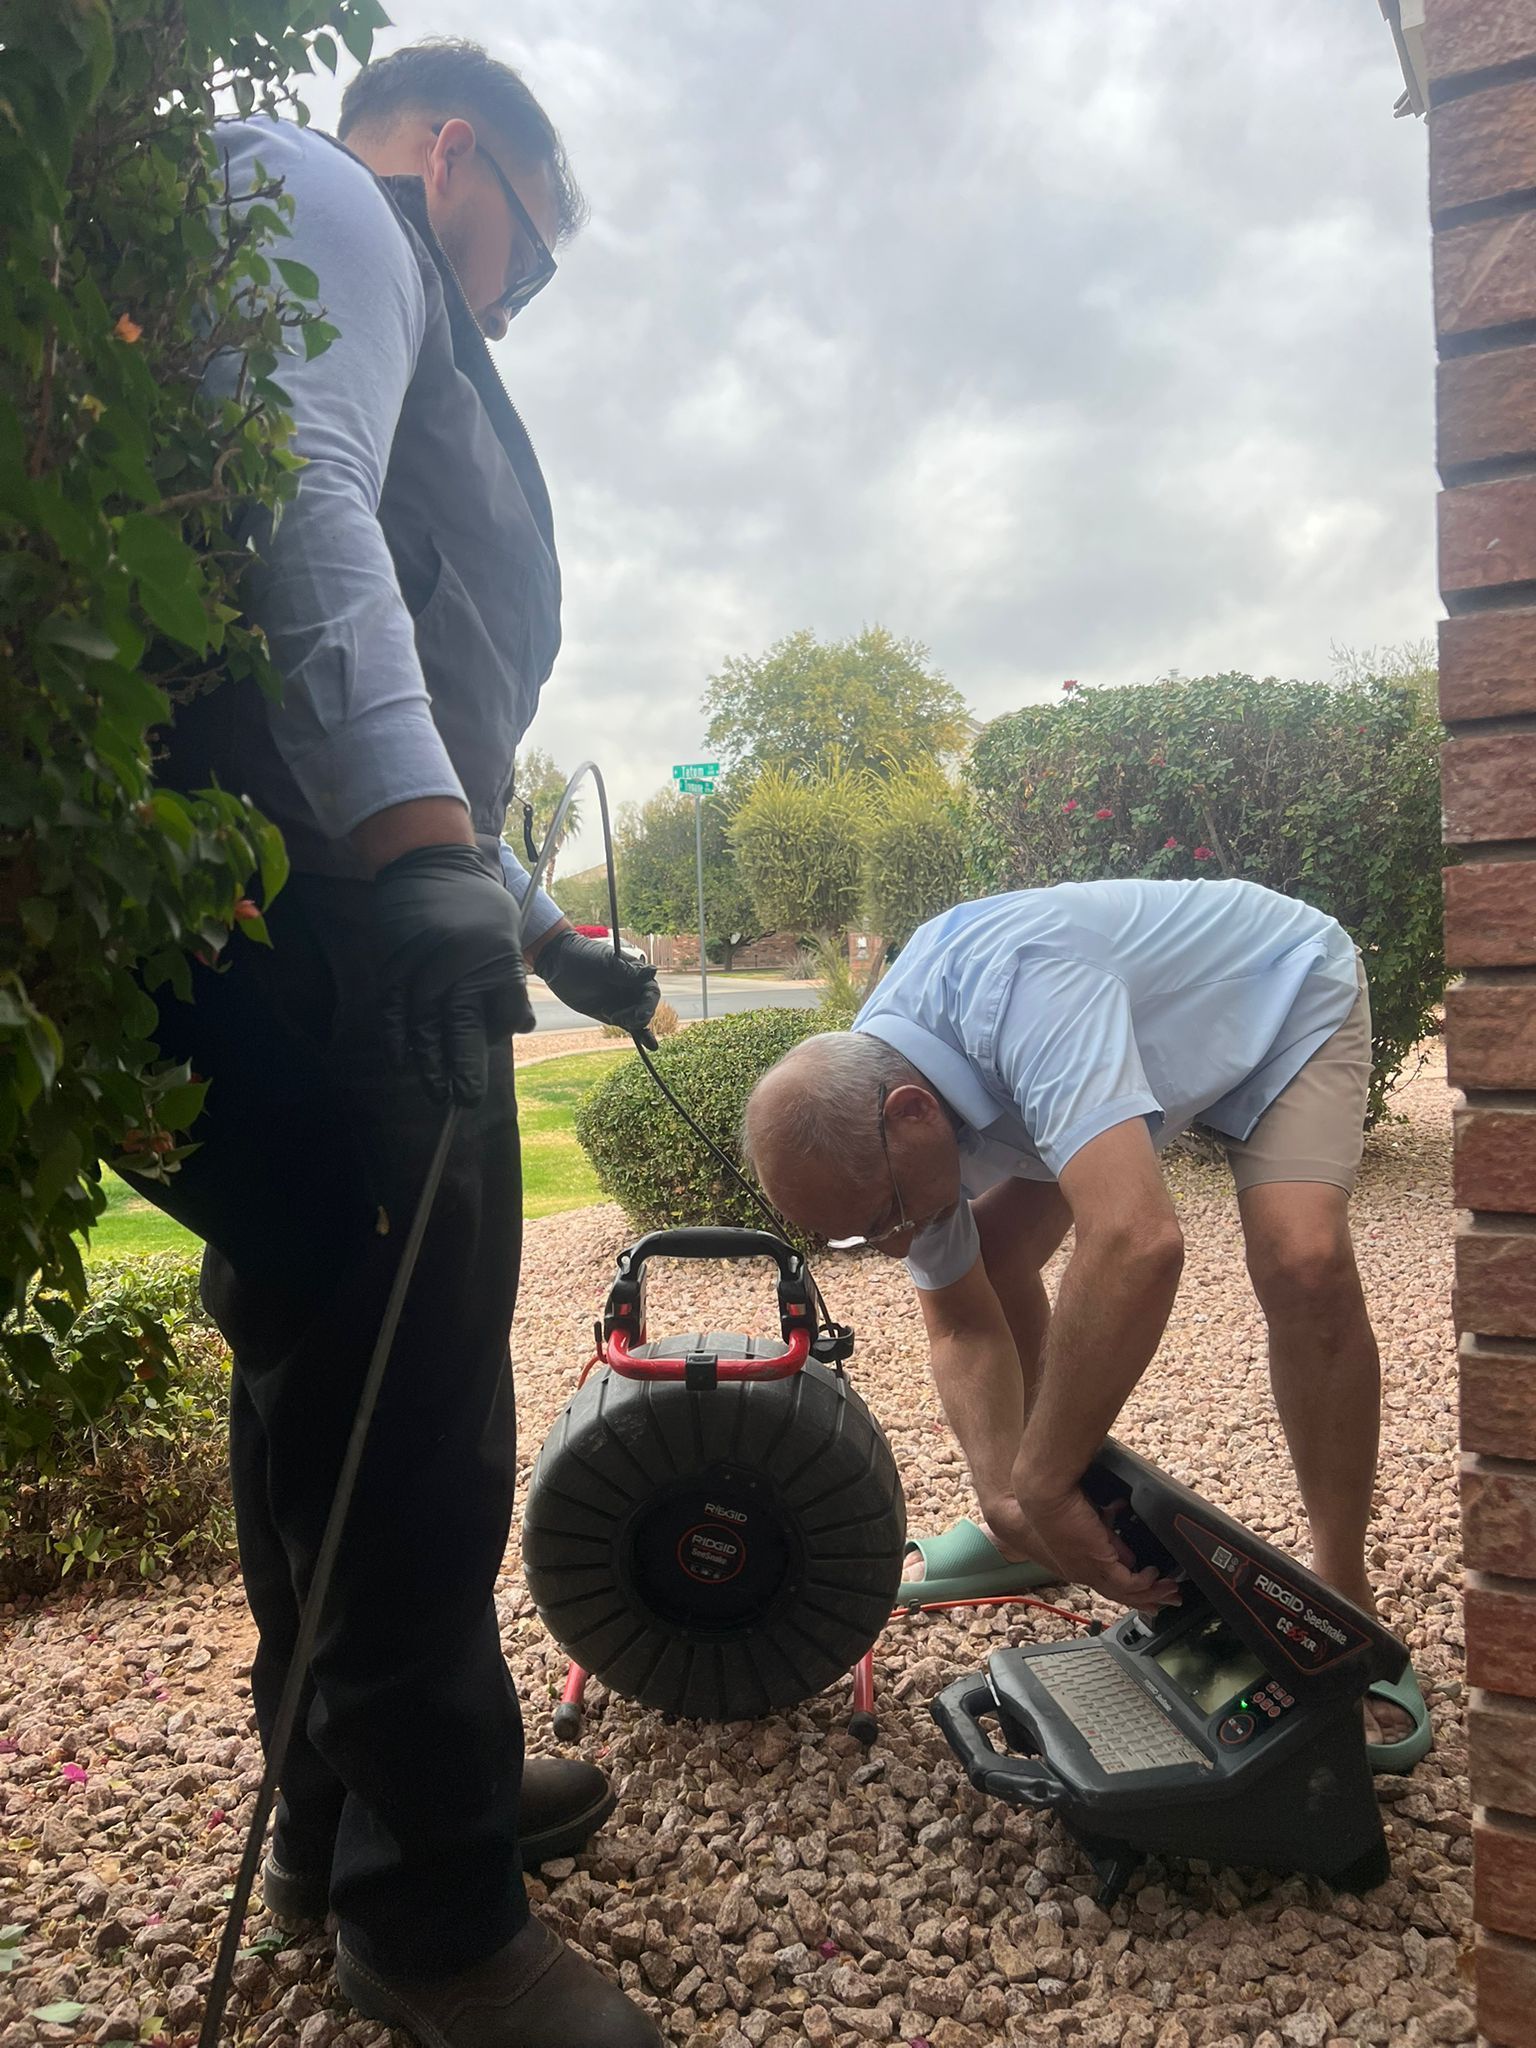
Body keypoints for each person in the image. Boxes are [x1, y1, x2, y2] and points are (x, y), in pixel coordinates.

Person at [136, 38, 663, 2048]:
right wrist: (425, 862)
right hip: (333, 911)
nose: (520, 301)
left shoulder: (376, 248)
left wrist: (536, 923)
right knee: (418, 1411)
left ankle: (351, 1800)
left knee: (326, 1364)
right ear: (461, 161)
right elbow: (293, 489)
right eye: (529, 253)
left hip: (346, 894)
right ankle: (433, 1919)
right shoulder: (331, 203)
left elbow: (425, 673)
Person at [741, 876, 1432, 1772]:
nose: (886, 1247)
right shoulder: (885, 1087)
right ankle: (1021, 1542)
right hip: (1129, 1055)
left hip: (1280, 999)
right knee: (987, 1263)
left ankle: (1344, 1599)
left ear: (911, 1116)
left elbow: (1137, 1242)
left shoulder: (1029, 997)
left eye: (881, 1221)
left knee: (1301, 1261)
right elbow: (958, 1320)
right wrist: (1009, 1495)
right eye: (854, 1238)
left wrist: (1048, 1474)